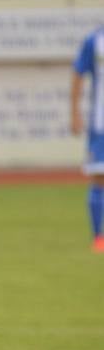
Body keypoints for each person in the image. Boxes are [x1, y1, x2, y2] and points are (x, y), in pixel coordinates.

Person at [69, 25, 104, 252]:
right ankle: (98, 237)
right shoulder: (95, 40)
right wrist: (74, 113)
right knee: (99, 176)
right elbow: (78, 73)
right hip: (101, 123)